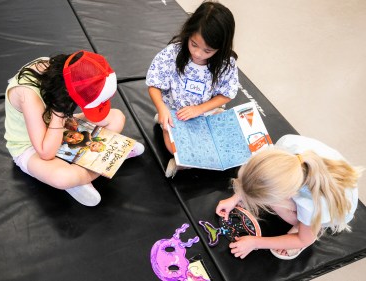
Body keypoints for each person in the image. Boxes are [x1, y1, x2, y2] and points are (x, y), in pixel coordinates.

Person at [4, 50, 144, 207]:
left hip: (61, 122)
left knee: (117, 117)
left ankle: (94, 165)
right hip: (32, 146)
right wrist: (59, 112)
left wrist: (64, 115)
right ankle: (107, 159)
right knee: (63, 177)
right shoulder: (28, 95)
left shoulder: (61, 74)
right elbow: (45, 152)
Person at [215, 134, 362, 260]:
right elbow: (261, 172)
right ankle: (305, 224)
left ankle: (311, 227)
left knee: (300, 228)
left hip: (332, 207)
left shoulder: (313, 205)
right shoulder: (285, 148)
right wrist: (236, 197)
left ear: (288, 195)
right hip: (326, 180)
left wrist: (256, 243)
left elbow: (302, 239)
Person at [146, 1, 239, 177]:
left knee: (231, 138)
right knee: (171, 145)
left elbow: (226, 95)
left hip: (207, 112)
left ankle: (186, 163)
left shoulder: (225, 64)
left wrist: (200, 109)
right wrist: (162, 108)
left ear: (220, 48)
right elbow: (154, 85)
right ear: (188, 33)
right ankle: (182, 159)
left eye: (208, 50)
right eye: (194, 44)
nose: (198, 54)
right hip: (177, 114)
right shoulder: (172, 53)